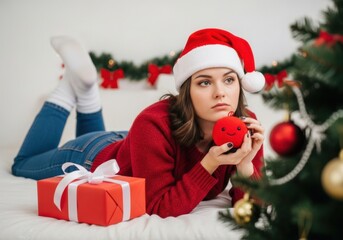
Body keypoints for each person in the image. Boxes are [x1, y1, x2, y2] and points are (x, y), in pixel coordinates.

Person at [12, 28, 265, 218]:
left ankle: (86, 88)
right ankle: (69, 89)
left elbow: (253, 209)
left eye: (229, 80)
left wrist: (245, 167)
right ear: (187, 91)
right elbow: (157, 206)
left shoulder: (247, 125)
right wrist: (210, 163)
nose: (220, 92)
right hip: (94, 156)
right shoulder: (154, 123)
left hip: (130, 145)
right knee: (22, 164)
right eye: (205, 82)